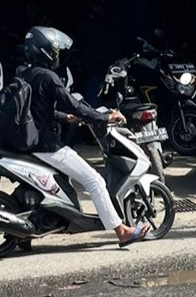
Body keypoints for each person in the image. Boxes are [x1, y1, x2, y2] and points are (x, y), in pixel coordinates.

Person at [20, 25, 150, 247]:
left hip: (27, 142)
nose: (59, 56)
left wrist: (64, 117)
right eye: (56, 51)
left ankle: (30, 229)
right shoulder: (49, 77)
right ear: (47, 53)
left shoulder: (25, 73)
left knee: (61, 181)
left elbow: (36, 109)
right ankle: (122, 231)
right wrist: (104, 118)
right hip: (47, 145)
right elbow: (76, 105)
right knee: (95, 180)